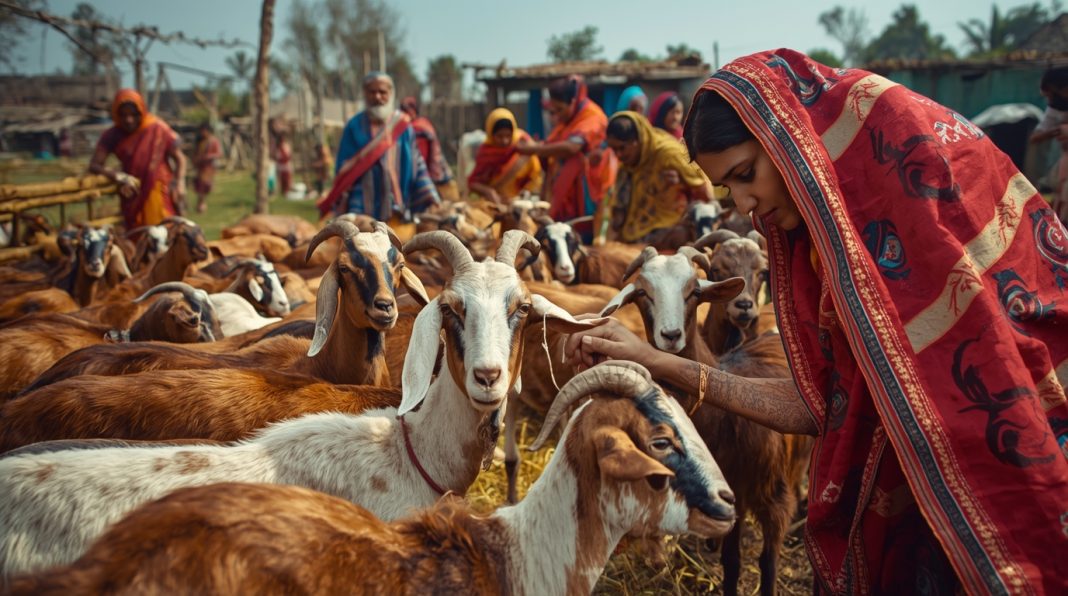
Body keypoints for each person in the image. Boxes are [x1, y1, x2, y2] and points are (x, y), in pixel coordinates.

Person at [567, 50, 1068, 594]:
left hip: (997, 504)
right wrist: (650, 358)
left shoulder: (921, 223)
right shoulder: (819, 259)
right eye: (727, 189)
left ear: (793, 143)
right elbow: (820, 405)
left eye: (745, 175)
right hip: (910, 516)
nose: (744, 204)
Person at [317, 72, 440, 223]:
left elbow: (417, 164)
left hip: (397, 206)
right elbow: (344, 169)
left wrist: (430, 195)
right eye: (372, 92)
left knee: (399, 244)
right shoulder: (354, 126)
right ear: (365, 94)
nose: (377, 97)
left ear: (391, 93)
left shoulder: (403, 126)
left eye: (382, 92)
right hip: (361, 207)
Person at [599, 111, 713, 244]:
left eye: (622, 148)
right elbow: (615, 214)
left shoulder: (668, 153)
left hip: (670, 227)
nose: (618, 155)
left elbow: (703, 187)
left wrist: (681, 183)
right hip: (633, 233)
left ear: (638, 140)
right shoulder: (626, 167)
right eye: (614, 149)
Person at [517, 75, 616, 224]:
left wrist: (535, 149)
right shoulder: (568, 119)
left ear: (573, 102)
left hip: (587, 196)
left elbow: (572, 148)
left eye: (560, 110)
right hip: (564, 199)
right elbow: (551, 144)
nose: (556, 116)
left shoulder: (592, 117)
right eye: (552, 111)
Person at [89, 88, 186, 229]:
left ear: (142, 111)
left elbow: (180, 158)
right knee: (137, 237)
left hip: (159, 190)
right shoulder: (113, 135)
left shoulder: (157, 128)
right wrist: (118, 176)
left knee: (166, 233)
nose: (129, 120)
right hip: (132, 192)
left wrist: (180, 182)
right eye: (123, 115)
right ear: (116, 114)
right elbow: (95, 164)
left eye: (134, 114)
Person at [466, 108, 543, 204]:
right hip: (496, 204)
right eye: (499, 136)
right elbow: (473, 183)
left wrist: (527, 192)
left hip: (526, 202)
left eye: (508, 136)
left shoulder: (523, 143)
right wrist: (489, 191)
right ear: (491, 134)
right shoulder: (486, 153)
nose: (504, 141)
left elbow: (536, 171)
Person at [1029, 66, 1068, 224]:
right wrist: (1058, 130)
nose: (1051, 99)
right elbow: (1035, 137)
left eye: (1053, 93)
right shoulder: (1056, 109)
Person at [400, 96, 453, 187]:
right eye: (405, 110)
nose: (408, 113)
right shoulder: (405, 126)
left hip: (426, 170)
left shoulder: (419, 126)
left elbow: (428, 152)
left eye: (410, 109)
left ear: (415, 110)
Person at [192, 122, 223, 214]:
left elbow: (219, 153)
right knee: (200, 186)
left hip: (209, 167)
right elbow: (195, 152)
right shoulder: (200, 141)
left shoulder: (213, 141)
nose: (202, 133)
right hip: (200, 166)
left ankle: (202, 204)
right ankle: (200, 204)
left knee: (205, 185)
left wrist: (208, 157)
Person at [272, 131, 293, 196]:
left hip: (286, 165)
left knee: (287, 179)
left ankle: (287, 191)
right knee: (281, 179)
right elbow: (275, 156)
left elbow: (289, 155)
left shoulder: (286, 146)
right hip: (280, 166)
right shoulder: (277, 147)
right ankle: (282, 191)